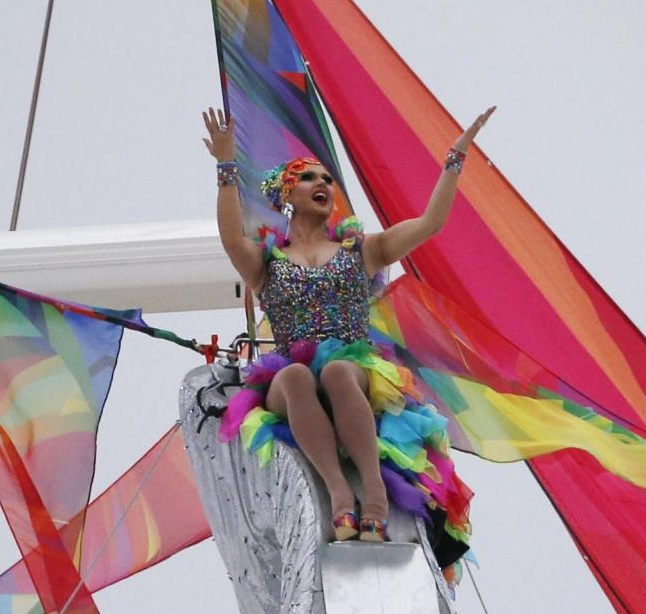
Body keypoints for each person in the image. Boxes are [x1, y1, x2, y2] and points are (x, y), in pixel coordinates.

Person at [204, 106, 494, 543]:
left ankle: (373, 495)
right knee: (297, 374)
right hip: (289, 375)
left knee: (337, 370)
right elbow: (230, 238)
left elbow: (431, 223)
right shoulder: (266, 262)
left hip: (352, 367)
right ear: (287, 193)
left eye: (327, 179)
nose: (323, 184)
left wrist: (454, 158)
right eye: (309, 178)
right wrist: (227, 165)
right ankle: (341, 497)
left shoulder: (361, 251)